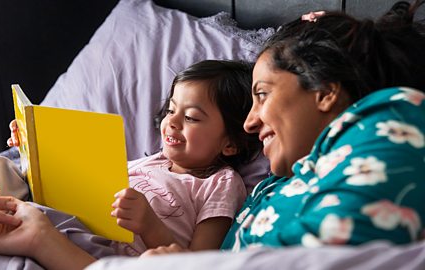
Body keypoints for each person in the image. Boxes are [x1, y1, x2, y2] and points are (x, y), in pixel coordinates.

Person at [141, 0, 425, 256]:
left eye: (262, 94)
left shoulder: (396, 114)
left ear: (325, 91)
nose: (249, 123)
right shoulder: (275, 185)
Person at [0, 60, 261, 268]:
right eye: (172, 110)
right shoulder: (150, 161)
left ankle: (40, 239)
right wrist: (31, 150)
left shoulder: (221, 183)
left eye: (192, 118)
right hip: (77, 226)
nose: (171, 122)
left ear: (230, 143)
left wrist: (150, 225)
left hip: (111, 259)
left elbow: (198, 262)